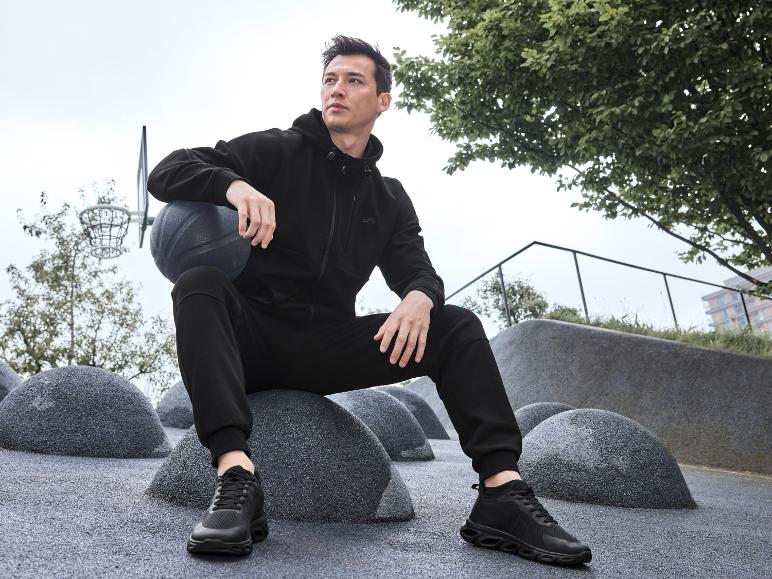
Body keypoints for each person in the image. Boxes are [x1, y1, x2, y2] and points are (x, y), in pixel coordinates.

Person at [147, 35, 592, 566]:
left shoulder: (389, 198)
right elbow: (166, 172)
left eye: (353, 80)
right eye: (329, 79)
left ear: (383, 100)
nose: (336, 90)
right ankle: (236, 478)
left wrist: (421, 296)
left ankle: (501, 494)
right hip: (250, 341)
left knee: (455, 326)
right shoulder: (273, 151)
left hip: (324, 349)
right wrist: (232, 184)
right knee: (199, 282)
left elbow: (417, 268)